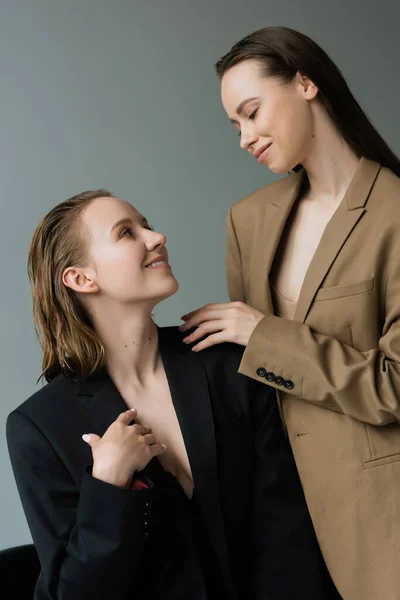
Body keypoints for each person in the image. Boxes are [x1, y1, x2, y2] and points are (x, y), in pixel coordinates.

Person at [6, 189, 338, 600]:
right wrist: (108, 485)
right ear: (81, 278)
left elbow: (286, 533)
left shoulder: (225, 364)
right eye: (127, 233)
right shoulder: (39, 427)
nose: (156, 237)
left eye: (146, 225)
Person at [179, 26, 400, 600]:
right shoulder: (247, 221)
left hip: (382, 523)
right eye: (236, 126)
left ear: (305, 83)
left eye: (252, 112)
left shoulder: (394, 213)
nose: (246, 137)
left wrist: (263, 334)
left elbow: (393, 385)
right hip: (282, 531)